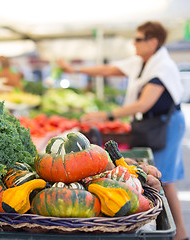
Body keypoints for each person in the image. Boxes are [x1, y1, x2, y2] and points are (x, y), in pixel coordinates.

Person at [57, 21, 188, 240]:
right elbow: (111, 69)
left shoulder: (162, 66)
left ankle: (180, 235)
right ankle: (177, 233)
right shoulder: (144, 62)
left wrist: (106, 115)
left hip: (165, 124)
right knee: (163, 178)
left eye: (138, 39)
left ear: (153, 42)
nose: (134, 43)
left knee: (164, 179)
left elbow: (143, 104)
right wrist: (75, 69)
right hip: (153, 124)